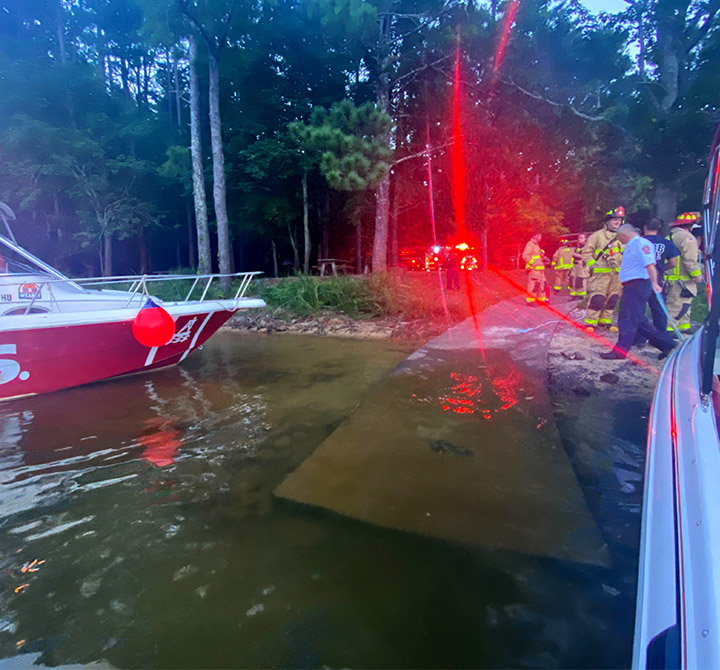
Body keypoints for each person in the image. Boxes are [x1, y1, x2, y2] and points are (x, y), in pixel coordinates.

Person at [599, 224, 676, 360]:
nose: (618, 239)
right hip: (632, 286)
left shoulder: (641, 244)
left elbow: (650, 265)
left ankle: (620, 351)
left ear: (624, 235)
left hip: (638, 285)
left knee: (627, 319)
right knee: (638, 319)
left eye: (619, 236)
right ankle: (666, 343)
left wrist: (654, 283)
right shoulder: (632, 244)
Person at [582, 207, 624, 332]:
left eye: (620, 220)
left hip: (616, 275)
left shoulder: (623, 237)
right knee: (597, 299)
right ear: (607, 221)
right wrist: (593, 265)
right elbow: (586, 253)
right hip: (600, 275)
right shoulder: (597, 236)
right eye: (615, 220)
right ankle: (590, 323)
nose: (618, 222)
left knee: (612, 299)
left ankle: (605, 322)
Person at [637, 217, 679, 336]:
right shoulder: (666, 243)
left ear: (645, 227)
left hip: (640, 279)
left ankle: (640, 338)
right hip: (658, 280)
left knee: (639, 309)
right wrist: (660, 269)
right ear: (659, 229)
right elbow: (674, 263)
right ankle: (661, 337)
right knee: (658, 309)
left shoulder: (639, 242)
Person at [666, 211, 703, 332]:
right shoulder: (688, 238)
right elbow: (690, 259)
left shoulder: (670, 236)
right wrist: (697, 275)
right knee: (677, 308)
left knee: (682, 307)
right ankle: (669, 332)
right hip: (682, 281)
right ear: (689, 225)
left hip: (672, 279)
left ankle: (682, 328)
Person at [521, 232, 548, 304]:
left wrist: (543, 258)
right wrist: (534, 263)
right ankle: (530, 301)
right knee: (533, 285)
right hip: (534, 270)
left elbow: (536, 257)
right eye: (540, 236)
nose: (541, 238)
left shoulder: (536, 245)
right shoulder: (530, 244)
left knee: (542, 284)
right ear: (535, 236)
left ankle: (541, 300)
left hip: (540, 270)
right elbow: (525, 256)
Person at [569, 234, 589, 299]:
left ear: (585, 239)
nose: (579, 239)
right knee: (573, 280)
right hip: (575, 265)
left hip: (582, 265)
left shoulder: (587, 247)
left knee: (581, 280)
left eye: (581, 237)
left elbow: (585, 256)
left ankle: (581, 296)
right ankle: (574, 295)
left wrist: (574, 254)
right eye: (579, 238)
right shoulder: (578, 247)